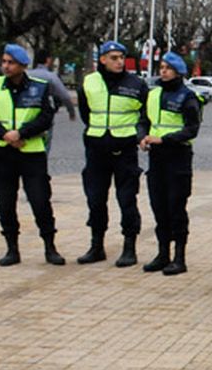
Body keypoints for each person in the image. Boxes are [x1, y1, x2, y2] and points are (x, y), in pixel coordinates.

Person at [0, 43, 65, 266]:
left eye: (10, 62)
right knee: (5, 202)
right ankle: (12, 249)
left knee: (40, 201)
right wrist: (5, 134)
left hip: (31, 153)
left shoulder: (39, 87)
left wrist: (22, 133)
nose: (5, 66)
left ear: (23, 66)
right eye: (4, 62)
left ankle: (49, 247)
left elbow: (46, 117)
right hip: (2, 152)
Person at [76, 41, 148, 267]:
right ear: (103, 60)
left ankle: (129, 248)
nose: (119, 62)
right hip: (96, 150)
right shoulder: (89, 82)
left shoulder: (136, 84)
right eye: (113, 58)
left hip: (124, 151)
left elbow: (144, 116)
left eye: (121, 58)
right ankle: (96, 246)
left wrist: (138, 135)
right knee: (95, 200)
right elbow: (86, 114)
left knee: (127, 200)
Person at [139, 51, 201, 275]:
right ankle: (162, 253)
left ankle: (179, 257)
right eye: (161, 67)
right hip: (156, 158)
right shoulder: (153, 94)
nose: (163, 71)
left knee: (176, 208)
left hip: (178, 158)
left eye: (167, 67)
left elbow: (191, 130)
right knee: (159, 208)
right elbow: (144, 121)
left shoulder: (188, 97)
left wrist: (164, 139)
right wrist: (142, 137)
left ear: (178, 72)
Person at [27, 51, 78, 123]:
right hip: (45, 113)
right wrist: (71, 112)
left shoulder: (27, 75)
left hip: (26, 111)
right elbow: (64, 96)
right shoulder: (51, 76)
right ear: (48, 60)